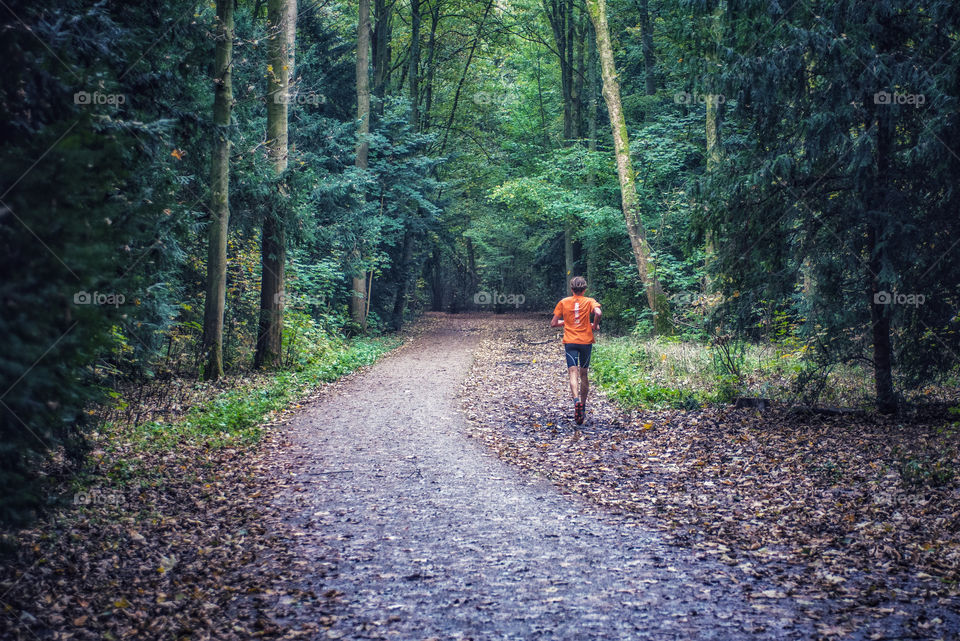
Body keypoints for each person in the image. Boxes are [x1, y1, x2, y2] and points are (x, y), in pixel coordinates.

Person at [550, 276, 601, 424]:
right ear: (585, 289)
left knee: (573, 372)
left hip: (570, 341)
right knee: (584, 373)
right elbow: (598, 313)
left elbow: (553, 323)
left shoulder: (564, 302)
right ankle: (583, 406)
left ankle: (576, 401)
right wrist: (595, 325)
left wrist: (567, 321)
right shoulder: (590, 301)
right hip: (585, 341)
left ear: (572, 289)